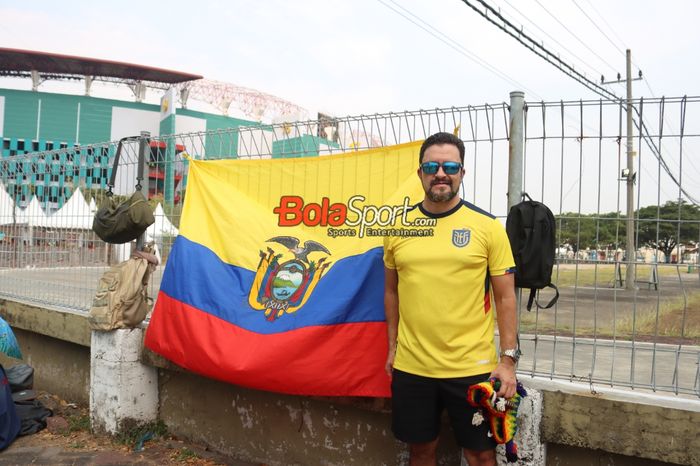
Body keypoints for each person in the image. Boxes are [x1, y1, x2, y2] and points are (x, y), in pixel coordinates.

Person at [383, 132, 519, 466]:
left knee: (481, 456)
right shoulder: (398, 227)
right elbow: (391, 290)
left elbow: (505, 298)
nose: (440, 173)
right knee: (421, 451)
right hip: (413, 367)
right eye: (431, 166)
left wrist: (508, 361)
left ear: (462, 172)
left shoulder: (488, 227)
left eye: (449, 166)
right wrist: (392, 348)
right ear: (420, 173)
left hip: (472, 369)